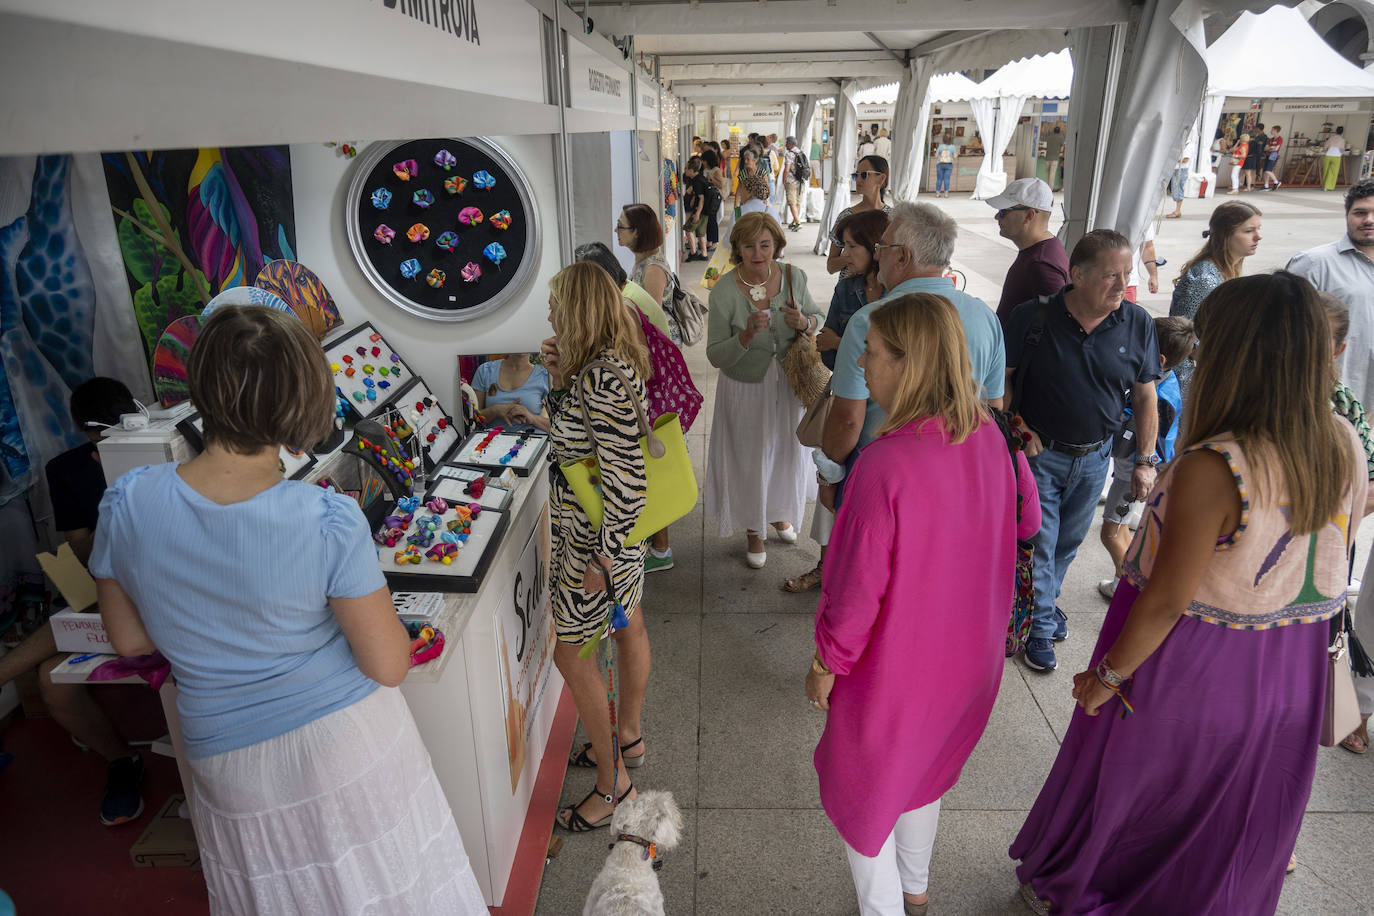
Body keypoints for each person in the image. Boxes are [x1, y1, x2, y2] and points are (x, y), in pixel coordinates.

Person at [89, 306, 485, 913]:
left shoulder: (127, 501)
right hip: (345, 750)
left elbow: (131, 641)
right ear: (302, 396)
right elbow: (387, 665)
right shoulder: (325, 519)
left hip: (226, 761)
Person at [1011, 271, 1366, 916]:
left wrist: (1108, 673)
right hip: (1291, 656)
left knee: (1151, 792)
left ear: (1238, 354)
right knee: (1239, 799)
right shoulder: (1341, 438)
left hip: (1196, 658)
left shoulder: (1219, 463)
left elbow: (1169, 599)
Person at [807, 293, 1039, 916]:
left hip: (897, 671)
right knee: (921, 776)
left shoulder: (884, 464)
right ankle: (916, 894)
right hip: (970, 663)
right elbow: (1030, 520)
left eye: (875, 353)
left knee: (864, 800)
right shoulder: (992, 434)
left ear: (910, 366)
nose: (864, 361)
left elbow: (855, 592)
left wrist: (826, 663)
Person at [1002, 230, 1162, 673]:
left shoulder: (1137, 322)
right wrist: (1016, 425)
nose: (1122, 284)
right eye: (1112, 275)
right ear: (1076, 275)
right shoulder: (1032, 317)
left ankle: (1040, 607)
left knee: (1068, 545)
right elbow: (1002, 378)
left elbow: (1146, 395)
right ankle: (1038, 631)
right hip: (1040, 457)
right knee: (1041, 541)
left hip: (1096, 460)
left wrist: (1145, 460)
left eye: (1127, 274)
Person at [0, 377, 150, 827]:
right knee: (54, 682)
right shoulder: (69, 470)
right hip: (115, 588)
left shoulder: (163, 453)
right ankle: (122, 761)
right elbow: (83, 552)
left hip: (160, 592)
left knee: (70, 643)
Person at [539, 263, 654, 832]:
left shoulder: (600, 379)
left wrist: (602, 559)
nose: (550, 315)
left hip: (596, 546)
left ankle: (614, 787)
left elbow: (626, 480)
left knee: (572, 654)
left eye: (557, 304)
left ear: (579, 311)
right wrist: (559, 381)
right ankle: (626, 739)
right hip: (614, 542)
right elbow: (576, 445)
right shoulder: (606, 365)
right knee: (629, 625)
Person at [824, 202, 1006, 483]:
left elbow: (848, 419)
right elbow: (992, 407)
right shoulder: (985, 316)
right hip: (961, 475)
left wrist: (829, 476)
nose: (876, 254)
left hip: (884, 478)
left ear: (902, 257)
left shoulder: (868, 321)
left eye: (881, 247)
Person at [704, 212, 823, 568]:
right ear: (737, 249)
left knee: (785, 449)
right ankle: (754, 528)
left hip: (787, 383)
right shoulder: (725, 290)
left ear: (777, 245)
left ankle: (778, 512)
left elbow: (818, 317)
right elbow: (713, 354)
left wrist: (804, 322)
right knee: (750, 455)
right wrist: (744, 336)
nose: (758, 252)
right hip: (744, 386)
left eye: (766, 244)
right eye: (749, 245)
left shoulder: (793, 277)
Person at [573, 241, 696, 575]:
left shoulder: (622, 307)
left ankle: (657, 548)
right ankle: (655, 545)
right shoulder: (629, 294)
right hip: (651, 401)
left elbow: (632, 367)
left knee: (643, 477)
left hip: (645, 406)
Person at [785, 208, 890, 595]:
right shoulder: (847, 287)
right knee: (831, 478)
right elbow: (824, 347)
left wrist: (845, 343)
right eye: (842, 246)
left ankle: (861, 578)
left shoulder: (902, 293)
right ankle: (825, 567)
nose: (843, 256)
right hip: (847, 397)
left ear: (877, 248)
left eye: (850, 247)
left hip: (886, 414)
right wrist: (842, 346)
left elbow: (842, 343)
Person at [1095, 316, 1194, 599]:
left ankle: (1124, 586)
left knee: (1110, 533)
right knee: (1121, 527)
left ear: (1159, 359)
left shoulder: (1159, 398)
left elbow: (1152, 441)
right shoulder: (1164, 381)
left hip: (1134, 477)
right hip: (1132, 473)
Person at [1288, 179, 1374, 413]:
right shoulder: (1313, 263)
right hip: (1325, 400)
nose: (1369, 220)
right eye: (1360, 213)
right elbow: (1283, 330)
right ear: (1347, 215)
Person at [1169, 200, 1262, 395]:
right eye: (1248, 231)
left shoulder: (1225, 271)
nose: (1258, 237)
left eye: (1258, 229)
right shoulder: (1204, 277)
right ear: (1225, 235)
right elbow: (1186, 338)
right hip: (1191, 382)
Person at [985, 177, 1069, 330]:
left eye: (1003, 212)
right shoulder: (1045, 249)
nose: (997, 217)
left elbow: (1059, 327)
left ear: (1029, 216)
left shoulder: (1041, 265)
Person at [617, 202, 679, 344]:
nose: (616, 230)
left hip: (658, 344)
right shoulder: (643, 259)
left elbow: (652, 318)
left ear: (636, 232)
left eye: (620, 226)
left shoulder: (653, 269)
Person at [827, 155, 891, 277]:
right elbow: (831, 266)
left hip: (882, 290)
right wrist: (853, 256)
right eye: (856, 175)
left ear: (881, 179)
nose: (858, 180)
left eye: (864, 175)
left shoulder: (892, 218)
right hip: (848, 291)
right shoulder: (847, 216)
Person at [471, 354, 550, 428]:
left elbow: (556, 426)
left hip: (533, 440)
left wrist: (531, 417)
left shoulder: (545, 376)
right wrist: (495, 410)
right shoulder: (485, 371)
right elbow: (472, 420)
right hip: (491, 440)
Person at [681, 155, 709, 262]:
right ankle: (704, 254)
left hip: (700, 210)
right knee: (701, 233)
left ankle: (693, 253)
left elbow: (701, 198)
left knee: (688, 230)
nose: (685, 171)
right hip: (705, 211)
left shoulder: (697, 181)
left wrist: (697, 213)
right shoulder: (700, 178)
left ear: (692, 170)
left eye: (686, 169)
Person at [700, 147, 727, 254]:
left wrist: (711, 178)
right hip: (707, 197)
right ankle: (709, 241)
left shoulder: (716, 170)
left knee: (712, 219)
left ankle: (714, 242)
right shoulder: (704, 169)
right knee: (707, 219)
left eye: (704, 160)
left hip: (714, 198)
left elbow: (721, 185)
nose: (703, 162)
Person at [782, 136, 806, 232]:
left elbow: (787, 169)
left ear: (791, 144)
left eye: (787, 143)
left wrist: (783, 180)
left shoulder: (789, 154)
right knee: (798, 202)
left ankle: (797, 221)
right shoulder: (801, 152)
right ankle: (794, 222)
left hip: (791, 181)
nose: (785, 145)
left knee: (792, 202)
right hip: (801, 181)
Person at [933, 132, 958, 198]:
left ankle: (937, 193)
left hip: (940, 164)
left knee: (939, 179)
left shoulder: (941, 146)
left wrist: (936, 152)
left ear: (943, 139)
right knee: (947, 179)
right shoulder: (953, 147)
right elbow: (955, 156)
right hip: (949, 165)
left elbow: (936, 156)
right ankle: (946, 194)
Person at [1165, 152, 1189, 218]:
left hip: (1181, 170)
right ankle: (1177, 210)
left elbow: (1185, 160)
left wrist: (1173, 159)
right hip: (1176, 169)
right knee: (1176, 189)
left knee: (1178, 189)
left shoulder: (1189, 145)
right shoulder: (1183, 146)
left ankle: (1177, 211)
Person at [1242, 122, 1265, 191]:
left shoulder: (1249, 143)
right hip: (1255, 158)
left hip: (1249, 158)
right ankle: (1251, 185)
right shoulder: (1257, 142)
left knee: (1248, 173)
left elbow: (1247, 151)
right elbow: (1259, 150)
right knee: (1252, 172)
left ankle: (1248, 186)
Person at [1323, 125, 1347, 191]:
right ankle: (1328, 186)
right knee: (1333, 172)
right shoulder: (1342, 140)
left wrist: (1326, 150)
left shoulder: (1331, 138)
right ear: (1342, 132)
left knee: (1326, 170)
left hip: (1328, 155)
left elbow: (1325, 147)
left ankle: (1324, 185)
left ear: (1336, 131)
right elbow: (1342, 150)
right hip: (1336, 156)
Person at [1262, 124, 1284, 190]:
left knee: (1268, 170)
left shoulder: (1280, 139)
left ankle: (1276, 182)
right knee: (1266, 171)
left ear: (1275, 130)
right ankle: (1266, 185)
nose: (1271, 131)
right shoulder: (1271, 139)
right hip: (1268, 155)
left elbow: (1276, 149)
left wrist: (1271, 148)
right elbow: (1265, 148)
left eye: (1272, 130)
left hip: (1273, 156)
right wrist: (1271, 148)